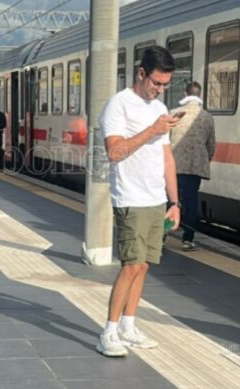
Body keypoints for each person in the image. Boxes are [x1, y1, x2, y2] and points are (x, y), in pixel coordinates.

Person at [97, 45, 183, 357]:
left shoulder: (160, 110)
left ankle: (128, 326)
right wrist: (152, 130)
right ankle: (108, 331)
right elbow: (115, 152)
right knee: (131, 265)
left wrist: (175, 202)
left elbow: (167, 159)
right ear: (141, 73)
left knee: (144, 265)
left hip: (156, 199)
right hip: (130, 198)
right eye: (155, 83)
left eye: (165, 85)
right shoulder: (118, 106)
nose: (159, 90)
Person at [169, 81, 216, 251]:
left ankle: (163, 235)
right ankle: (187, 239)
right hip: (195, 169)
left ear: (184, 94)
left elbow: (164, 143)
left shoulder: (174, 113)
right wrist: (204, 160)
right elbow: (211, 146)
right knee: (191, 202)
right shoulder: (207, 117)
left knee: (171, 200)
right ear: (200, 95)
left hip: (173, 167)